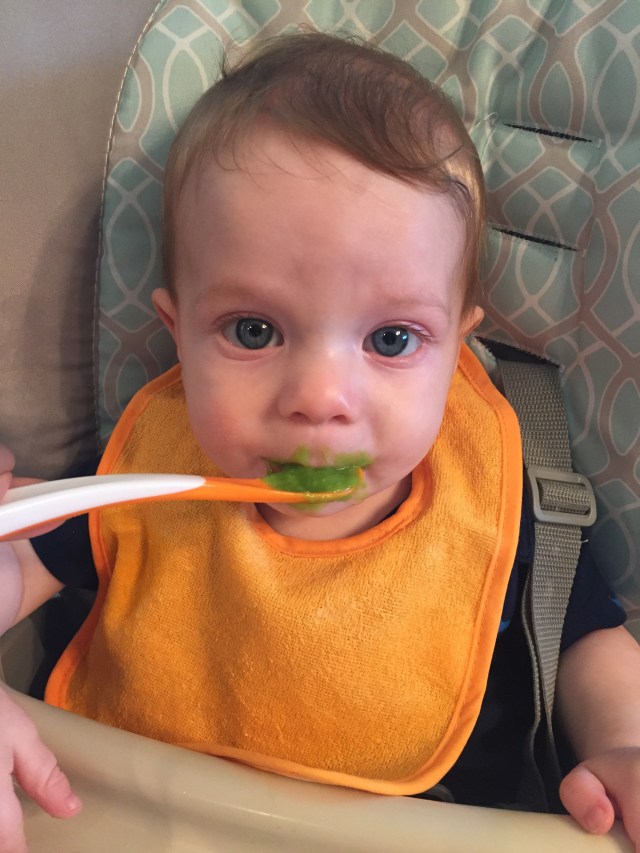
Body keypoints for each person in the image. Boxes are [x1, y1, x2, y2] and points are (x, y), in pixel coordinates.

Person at [1, 32, 639, 852]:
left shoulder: (494, 501)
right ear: (177, 332)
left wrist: (623, 744)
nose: (319, 398)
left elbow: (585, 638)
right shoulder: (145, 473)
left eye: (392, 339)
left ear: (457, 349)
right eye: (254, 330)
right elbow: (24, 561)